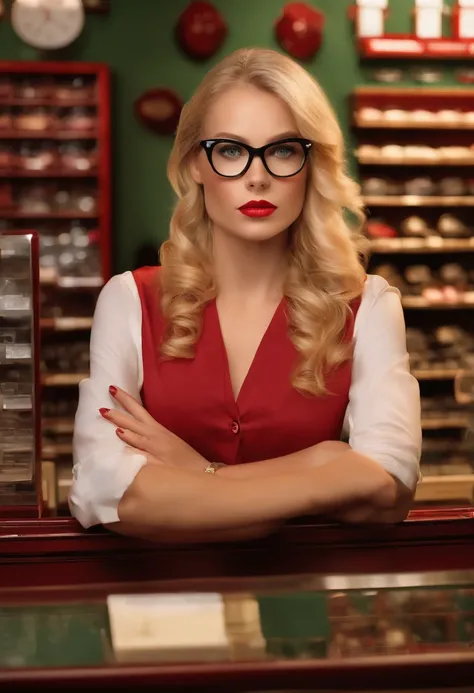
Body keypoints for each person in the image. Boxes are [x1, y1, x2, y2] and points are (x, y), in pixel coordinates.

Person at [69, 47, 421, 543]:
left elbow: (387, 486)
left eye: (282, 150)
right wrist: (325, 465)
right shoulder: (130, 300)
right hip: (164, 611)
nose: (258, 176)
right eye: (231, 150)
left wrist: (202, 474)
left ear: (310, 163)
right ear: (196, 163)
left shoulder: (369, 305)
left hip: (311, 610)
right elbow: (106, 493)